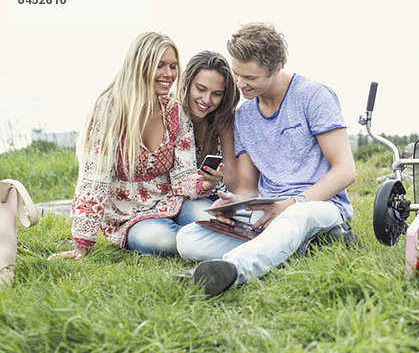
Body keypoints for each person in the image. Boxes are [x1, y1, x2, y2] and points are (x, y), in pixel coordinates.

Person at [176, 22, 357, 296]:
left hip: (316, 204)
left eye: (250, 77)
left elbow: (345, 170)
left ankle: (233, 270)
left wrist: (292, 203)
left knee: (295, 216)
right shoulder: (245, 116)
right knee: (188, 239)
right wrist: (238, 203)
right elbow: (248, 184)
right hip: (268, 209)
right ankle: (299, 246)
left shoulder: (313, 97)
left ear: (276, 67)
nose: (240, 84)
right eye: (237, 74)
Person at [49, 32, 219, 260]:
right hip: (127, 216)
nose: (169, 74)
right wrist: (82, 242)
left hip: (170, 202)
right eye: (160, 65)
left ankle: (222, 246)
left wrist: (205, 182)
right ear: (141, 65)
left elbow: (183, 177)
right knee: (164, 241)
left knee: (210, 218)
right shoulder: (110, 109)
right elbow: (93, 181)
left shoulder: (175, 112)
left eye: (173, 66)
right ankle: (219, 247)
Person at [173, 50, 240, 206]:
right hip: (178, 198)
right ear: (186, 82)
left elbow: (232, 181)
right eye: (201, 89)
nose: (207, 100)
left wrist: (224, 127)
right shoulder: (170, 112)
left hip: (214, 197)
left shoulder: (222, 119)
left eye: (216, 94)